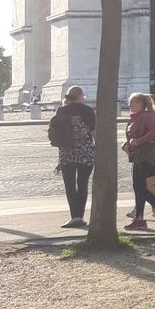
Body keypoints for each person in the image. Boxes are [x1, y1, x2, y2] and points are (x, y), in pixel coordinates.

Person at [122, 92, 155, 230]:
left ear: (142, 104)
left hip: (146, 156)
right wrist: (128, 144)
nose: (131, 105)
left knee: (139, 187)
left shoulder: (146, 116)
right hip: (139, 155)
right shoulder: (135, 117)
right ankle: (150, 214)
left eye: (134, 103)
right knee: (140, 187)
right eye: (130, 102)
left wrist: (137, 142)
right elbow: (134, 135)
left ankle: (145, 216)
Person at [50, 86, 95, 229]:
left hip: (66, 153)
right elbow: (94, 132)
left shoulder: (62, 110)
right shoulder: (88, 111)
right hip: (85, 153)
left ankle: (74, 216)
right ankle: (79, 216)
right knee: (83, 184)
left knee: (70, 186)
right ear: (80, 96)